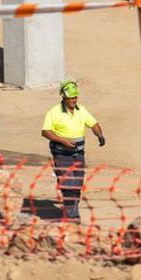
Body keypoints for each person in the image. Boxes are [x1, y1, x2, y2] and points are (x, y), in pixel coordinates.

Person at [41, 80, 105, 221]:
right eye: (71, 98)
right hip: (62, 155)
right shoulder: (54, 113)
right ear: (64, 97)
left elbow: (93, 124)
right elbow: (45, 132)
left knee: (77, 186)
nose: (74, 101)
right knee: (69, 185)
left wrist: (99, 134)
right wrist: (62, 140)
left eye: (75, 97)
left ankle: (71, 207)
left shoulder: (81, 110)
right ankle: (73, 217)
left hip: (78, 155)